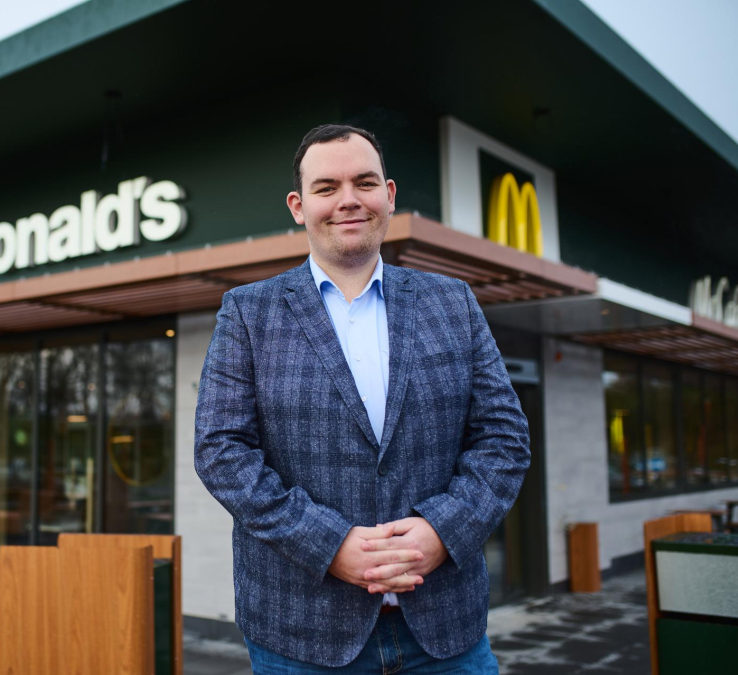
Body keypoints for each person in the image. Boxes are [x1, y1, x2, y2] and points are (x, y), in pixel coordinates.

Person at [194, 124, 531, 673]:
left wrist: (444, 530)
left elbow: (504, 438)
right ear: (299, 207)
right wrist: (329, 544)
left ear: (389, 196)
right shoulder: (247, 313)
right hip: (301, 633)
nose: (348, 200)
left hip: (444, 632)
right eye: (327, 188)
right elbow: (221, 451)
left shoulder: (453, 302)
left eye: (364, 182)